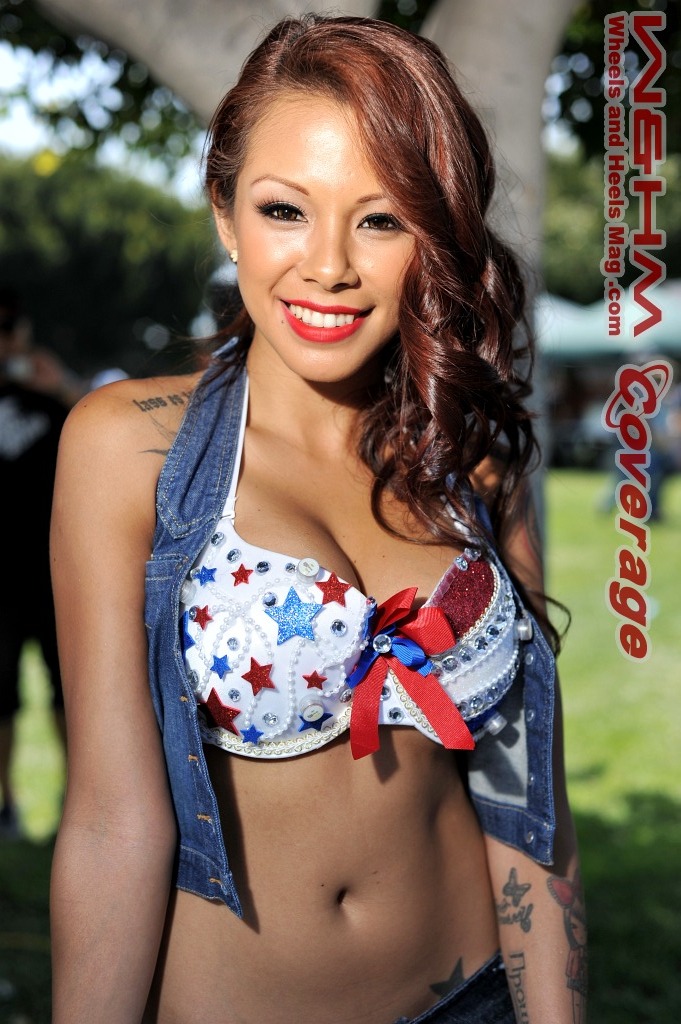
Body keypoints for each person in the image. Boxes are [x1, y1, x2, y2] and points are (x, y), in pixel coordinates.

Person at [49, 15, 586, 1024]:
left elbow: (528, 813)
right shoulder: (127, 447)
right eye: (285, 209)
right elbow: (114, 822)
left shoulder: (470, 459)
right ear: (225, 213)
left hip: (471, 998)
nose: (328, 265)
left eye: (381, 221)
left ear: (432, 237)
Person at [0, 287, 84, 837]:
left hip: (55, 571)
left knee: (70, 689)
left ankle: (77, 800)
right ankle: (5, 807)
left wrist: (62, 387)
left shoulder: (49, 388)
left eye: (9, 328)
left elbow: (114, 433)